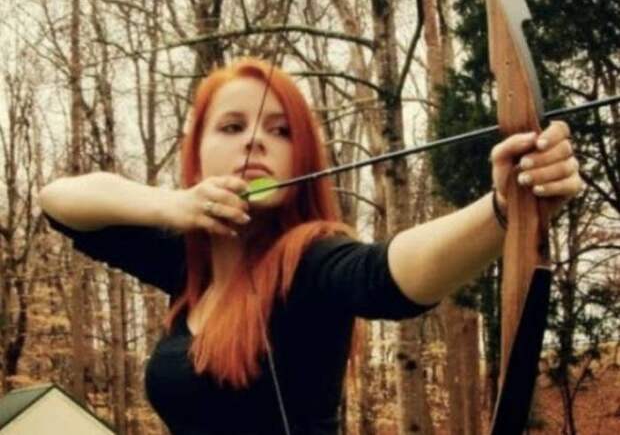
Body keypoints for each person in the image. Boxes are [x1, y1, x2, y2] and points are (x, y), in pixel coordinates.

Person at [37, 58, 583, 435]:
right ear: (197, 151)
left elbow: (386, 275)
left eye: (281, 131)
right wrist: (171, 205)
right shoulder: (185, 267)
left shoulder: (310, 258)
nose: (255, 140)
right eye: (231, 126)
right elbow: (59, 202)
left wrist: (503, 209)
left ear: (301, 160)